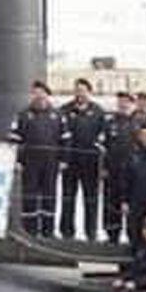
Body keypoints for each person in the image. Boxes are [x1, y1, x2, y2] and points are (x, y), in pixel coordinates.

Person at [7, 81, 68, 237]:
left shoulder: (58, 115)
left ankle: (48, 231)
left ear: (47, 95)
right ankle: (30, 229)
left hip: (51, 162)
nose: (38, 96)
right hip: (30, 162)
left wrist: (63, 160)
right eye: (35, 93)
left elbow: (66, 139)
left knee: (49, 195)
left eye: (41, 93)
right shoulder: (23, 115)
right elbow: (14, 140)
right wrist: (18, 161)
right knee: (30, 195)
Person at [58, 79, 105, 240]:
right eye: (77, 90)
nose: (80, 93)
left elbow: (103, 138)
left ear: (89, 92)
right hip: (70, 163)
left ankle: (91, 233)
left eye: (83, 90)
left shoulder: (98, 112)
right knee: (68, 198)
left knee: (91, 200)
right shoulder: (64, 110)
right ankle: (67, 232)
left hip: (90, 164)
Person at [101, 91, 138, 244]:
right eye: (121, 101)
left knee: (131, 204)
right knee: (111, 204)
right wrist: (103, 168)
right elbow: (102, 148)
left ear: (132, 104)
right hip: (113, 170)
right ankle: (112, 236)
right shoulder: (109, 123)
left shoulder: (139, 123)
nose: (123, 104)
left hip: (132, 172)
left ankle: (132, 236)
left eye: (126, 102)